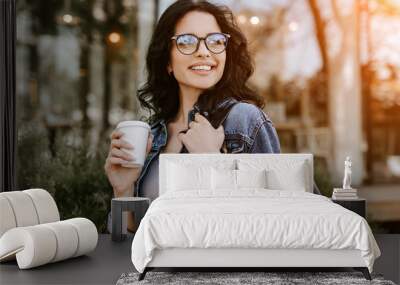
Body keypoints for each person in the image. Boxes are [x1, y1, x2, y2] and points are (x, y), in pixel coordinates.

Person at [104, 0, 280, 233]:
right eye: (187, 41)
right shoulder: (152, 135)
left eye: (215, 41)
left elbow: (275, 221)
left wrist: (212, 160)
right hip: (155, 269)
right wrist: (123, 190)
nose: (204, 51)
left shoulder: (244, 120)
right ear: (167, 61)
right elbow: (133, 240)